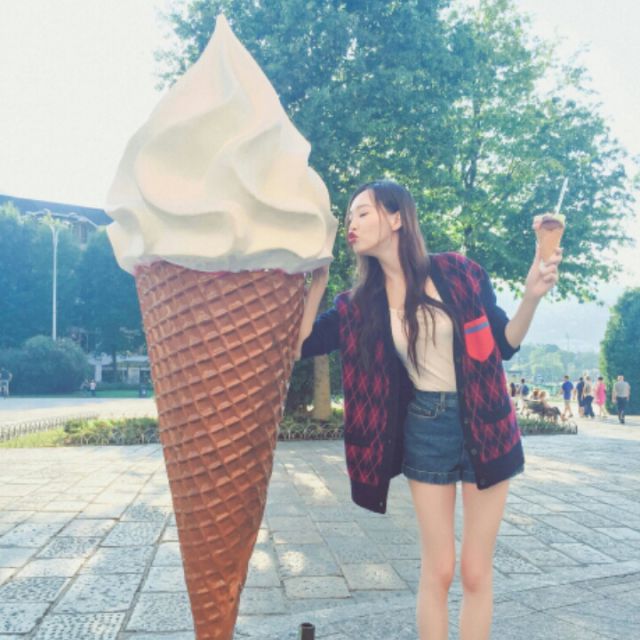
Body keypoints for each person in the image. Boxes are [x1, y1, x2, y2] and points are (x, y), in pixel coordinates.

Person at [294, 180, 562, 640]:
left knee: (475, 570)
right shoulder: (361, 304)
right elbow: (300, 343)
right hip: (426, 427)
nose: (352, 224)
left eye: (363, 213)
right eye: (350, 217)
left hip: (486, 423)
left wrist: (532, 295)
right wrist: (317, 282)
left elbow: (504, 343)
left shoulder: (458, 271)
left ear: (397, 217)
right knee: (438, 569)